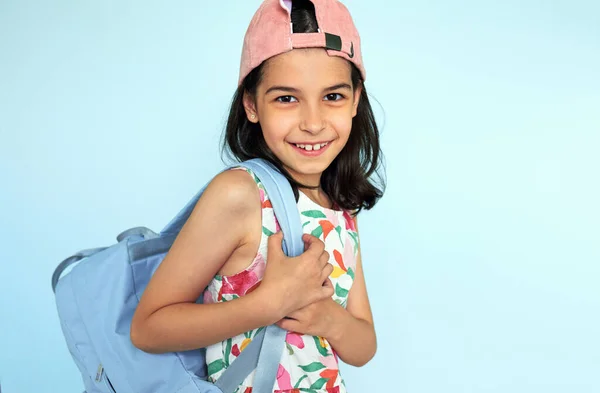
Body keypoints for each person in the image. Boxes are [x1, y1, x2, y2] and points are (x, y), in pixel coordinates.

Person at [130, 0, 385, 391]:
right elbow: (148, 328)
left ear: (354, 99)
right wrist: (269, 304)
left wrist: (324, 317)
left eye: (332, 96)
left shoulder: (342, 206)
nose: (313, 123)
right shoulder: (241, 195)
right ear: (251, 104)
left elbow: (363, 346)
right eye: (286, 98)